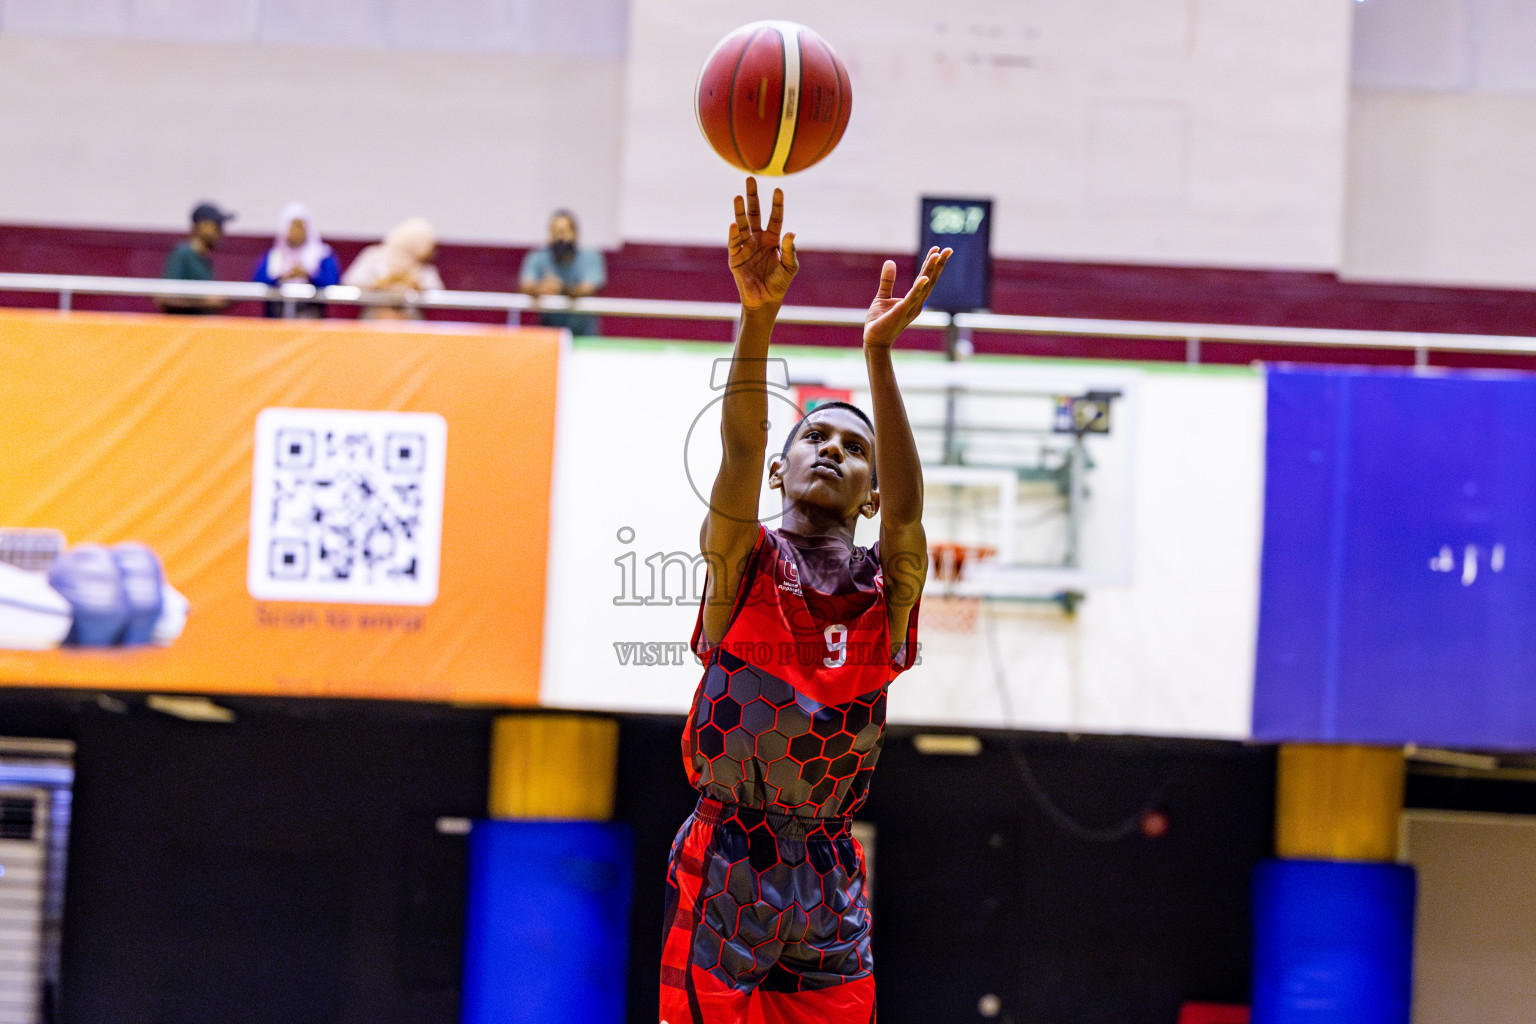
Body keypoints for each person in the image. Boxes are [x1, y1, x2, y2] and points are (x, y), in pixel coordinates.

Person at [658, 178, 950, 1024]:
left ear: (869, 490)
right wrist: (757, 316)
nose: (833, 448)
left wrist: (879, 357)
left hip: (828, 865)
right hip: (728, 854)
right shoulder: (744, 562)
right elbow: (740, 439)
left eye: (854, 448)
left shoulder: (887, 589)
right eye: (815, 436)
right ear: (781, 472)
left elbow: (910, 511)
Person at [519, 209, 606, 336]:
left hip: (584, 336)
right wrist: (540, 289)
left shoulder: (591, 257)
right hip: (549, 338)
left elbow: (588, 289)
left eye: (563, 232)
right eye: (554, 232)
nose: (559, 237)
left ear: (575, 233)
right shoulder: (538, 257)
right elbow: (527, 285)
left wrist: (560, 289)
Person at [341, 216, 444, 320]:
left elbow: (437, 293)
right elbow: (350, 282)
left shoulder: (423, 266)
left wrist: (417, 287)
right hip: (373, 321)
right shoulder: (374, 257)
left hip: (410, 324)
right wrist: (377, 285)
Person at [252, 202, 341, 318]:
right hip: (277, 315)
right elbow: (258, 282)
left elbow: (332, 282)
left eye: (300, 226)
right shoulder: (275, 255)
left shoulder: (322, 254)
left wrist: (308, 275)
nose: (296, 231)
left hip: (311, 316)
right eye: (292, 226)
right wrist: (282, 277)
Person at [157, 201, 234, 314]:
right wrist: (208, 302)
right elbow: (164, 298)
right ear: (202, 226)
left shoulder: (204, 258)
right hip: (185, 330)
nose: (221, 231)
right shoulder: (183, 254)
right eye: (217, 225)